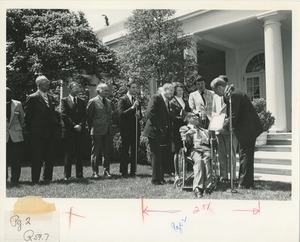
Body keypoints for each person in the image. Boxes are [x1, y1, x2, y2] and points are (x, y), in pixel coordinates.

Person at [211, 77, 263, 189]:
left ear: (220, 87)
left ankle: (245, 183)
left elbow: (234, 116)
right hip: (246, 128)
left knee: (245, 155)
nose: (216, 94)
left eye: (215, 91)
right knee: (245, 155)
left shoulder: (233, 95)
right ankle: (245, 182)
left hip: (248, 129)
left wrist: (221, 127)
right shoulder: (231, 93)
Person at [24, 75, 57, 184]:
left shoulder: (51, 97)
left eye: (48, 82)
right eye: (45, 82)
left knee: (50, 156)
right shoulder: (33, 97)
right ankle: (35, 179)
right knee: (37, 157)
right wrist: (32, 130)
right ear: (39, 85)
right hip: (37, 133)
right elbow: (28, 117)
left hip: (50, 132)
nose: (48, 84)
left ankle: (47, 178)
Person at [143, 83, 174, 185]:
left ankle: (160, 178)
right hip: (154, 131)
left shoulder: (167, 101)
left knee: (160, 155)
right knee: (156, 154)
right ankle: (155, 179)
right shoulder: (156, 98)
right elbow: (150, 113)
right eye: (171, 90)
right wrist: (159, 128)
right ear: (164, 90)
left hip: (161, 132)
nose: (172, 92)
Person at [212, 75, 238, 182]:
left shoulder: (231, 95)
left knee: (231, 153)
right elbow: (213, 111)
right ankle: (224, 176)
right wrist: (216, 120)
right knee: (221, 153)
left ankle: (232, 176)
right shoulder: (215, 97)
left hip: (229, 128)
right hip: (219, 128)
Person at [179, 112, 212, 198]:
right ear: (189, 118)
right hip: (194, 149)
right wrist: (188, 134)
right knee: (199, 160)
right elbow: (184, 140)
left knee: (206, 159)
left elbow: (209, 139)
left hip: (205, 149)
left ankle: (207, 187)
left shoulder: (202, 129)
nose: (197, 117)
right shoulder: (184, 128)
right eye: (194, 116)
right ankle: (198, 188)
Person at [61, 82, 87, 180]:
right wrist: (74, 125)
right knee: (68, 153)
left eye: (78, 87)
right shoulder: (64, 101)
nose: (77, 90)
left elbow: (84, 115)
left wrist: (80, 125)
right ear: (69, 89)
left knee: (79, 153)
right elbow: (64, 115)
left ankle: (79, 174)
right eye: (75, 88)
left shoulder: (81, 101)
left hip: (79, 131)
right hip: (69, 131)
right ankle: (67, 175)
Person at [87, 83, 113, 178]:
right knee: (96, 152)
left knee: (106, 152)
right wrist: (92, 128)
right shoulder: (93, 101)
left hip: (107, 130)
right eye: (105, 90)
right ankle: (95, 172)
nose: (107, 92)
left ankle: (106, 171)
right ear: (99, 91)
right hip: (97, 130)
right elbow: (89, 117)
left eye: (107, 90)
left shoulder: (109, 102)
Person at [118, 80, 142, 178]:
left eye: (136, 87)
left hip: (135, 128)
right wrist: (132, 108)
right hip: (126, 129)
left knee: (134, 150)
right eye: (133, 87)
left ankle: (133, 171)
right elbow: (121, 114)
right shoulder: (122, 99)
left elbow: (139, 115)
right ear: (128, 88)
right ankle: (124, 171)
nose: (135, 89)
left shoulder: (137, 100)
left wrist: (139, 115)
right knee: (125, 150)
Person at [169, 82, 191, 179]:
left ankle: (184, 172)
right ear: (175, 91)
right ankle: (177, 173)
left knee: (185, 149)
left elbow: (189, 112)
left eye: (182, 90)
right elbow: (172, 117)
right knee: (177, 150)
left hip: (185, 128)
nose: (181, 92)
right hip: (176, 128)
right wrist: (183, 118)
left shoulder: (185, 101)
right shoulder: (172, 102)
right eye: (178, 90)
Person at [6, 87, 24, 185]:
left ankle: (15, 179)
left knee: (16, 159)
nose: (8, 94)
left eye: (9, 93)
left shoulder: (18, 104)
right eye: (6, 93)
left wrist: (17, 129)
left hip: (15, 136)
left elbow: (22, 118)